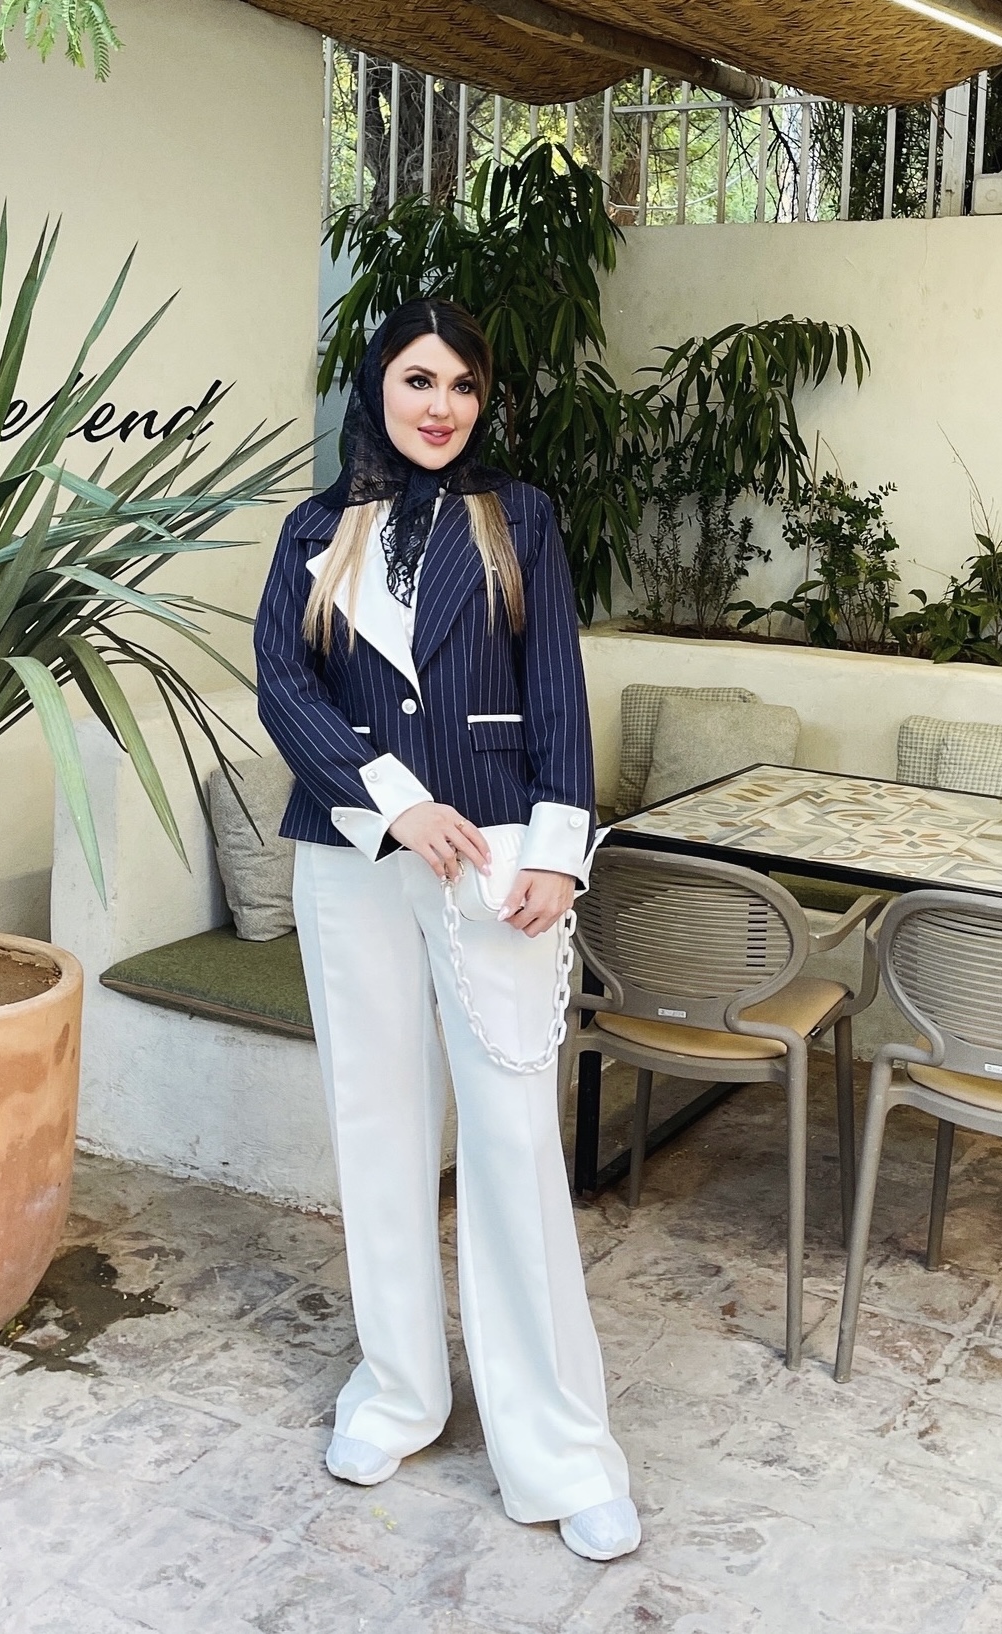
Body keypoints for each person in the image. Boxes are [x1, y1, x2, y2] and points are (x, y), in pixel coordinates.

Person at [254, 297, 639, 1561]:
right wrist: (392, 802)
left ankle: (561, 1447)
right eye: (418, 379)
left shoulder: (516, 515)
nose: (440, 405)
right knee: (376, 1122)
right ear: (376, 386)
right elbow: (284, 684)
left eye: (462, 385)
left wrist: (561, 847)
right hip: (355, 854)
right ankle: (397, 1393)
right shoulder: (313, 527)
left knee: (514, 1138)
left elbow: (555, 681)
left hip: (498, 858)